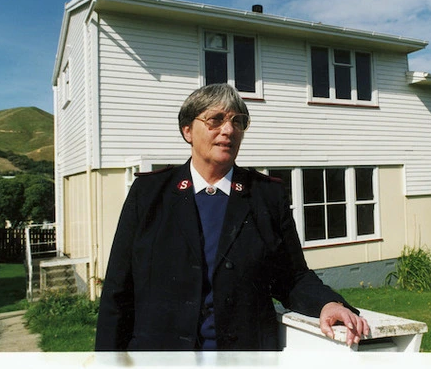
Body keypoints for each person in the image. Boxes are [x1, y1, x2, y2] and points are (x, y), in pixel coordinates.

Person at [95, 83, 369, 351]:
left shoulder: (266, 195)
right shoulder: (149, 193)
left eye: (238, 122)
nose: (228, 130)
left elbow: (292, 276)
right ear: (187, 130)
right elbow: (119, 290)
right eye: (215, 120)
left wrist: (329, 304)